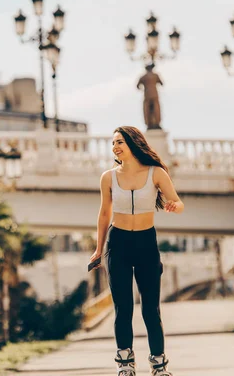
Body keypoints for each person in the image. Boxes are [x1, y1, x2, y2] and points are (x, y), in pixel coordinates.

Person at [89, 126, 184, 376]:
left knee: (150, 308)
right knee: (123, 307)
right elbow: (104, 214)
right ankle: (125, 363)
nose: (115, 147)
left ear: (133, 143)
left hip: (146, 243)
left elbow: (178, 202)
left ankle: (159, 365)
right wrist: (98, 249)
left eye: (120, 142)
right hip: (117, 243)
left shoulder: (156, 173)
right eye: (113, 143)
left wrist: (175, 206)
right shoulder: (108, 177)